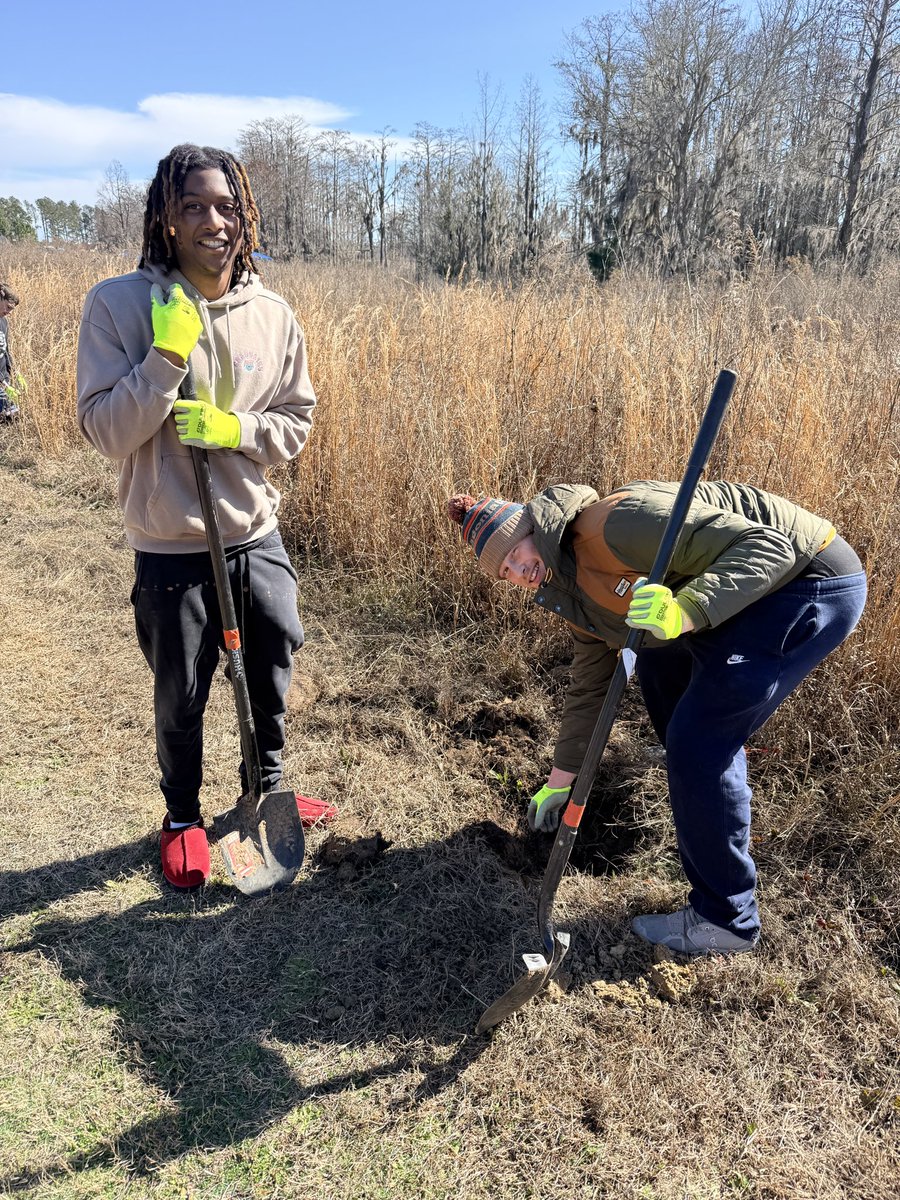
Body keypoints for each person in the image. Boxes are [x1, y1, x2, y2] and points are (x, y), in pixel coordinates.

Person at [447, 480, 867, 955]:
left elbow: (769, 548)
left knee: (697, 746)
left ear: (533, 530)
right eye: (505, 572)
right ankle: (705, 784)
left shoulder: (617, 524)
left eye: (514, 554)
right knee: (657, 663)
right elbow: (591, 686)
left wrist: (685, 611)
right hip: (749, 592)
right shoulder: (569, 583)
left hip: (805, 579)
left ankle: (725, 919)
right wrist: (560, 780)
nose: (518, 572)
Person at [77, 143, 335, 892]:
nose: (212, 222)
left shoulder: (273, 314)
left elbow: (296, 421)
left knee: (272, 665)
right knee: (181, 691)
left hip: (254, 531)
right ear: (167, 216)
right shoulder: (118, 305)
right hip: (169, 542)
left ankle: (267, 789)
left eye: (226, 206)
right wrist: (165, 357)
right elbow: (105, 432)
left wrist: (236, 430)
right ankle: (183, 817)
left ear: (244, 214)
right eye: (193, 206)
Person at [0, 282, 25, 421]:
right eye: (8, 307)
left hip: (4, 377)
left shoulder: (4, 322)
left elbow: (6, 350)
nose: (9, 312)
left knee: (14, 415)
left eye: (12, 309)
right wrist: (2, 383)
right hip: (1, 382)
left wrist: (15, 372)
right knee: (9, 416)